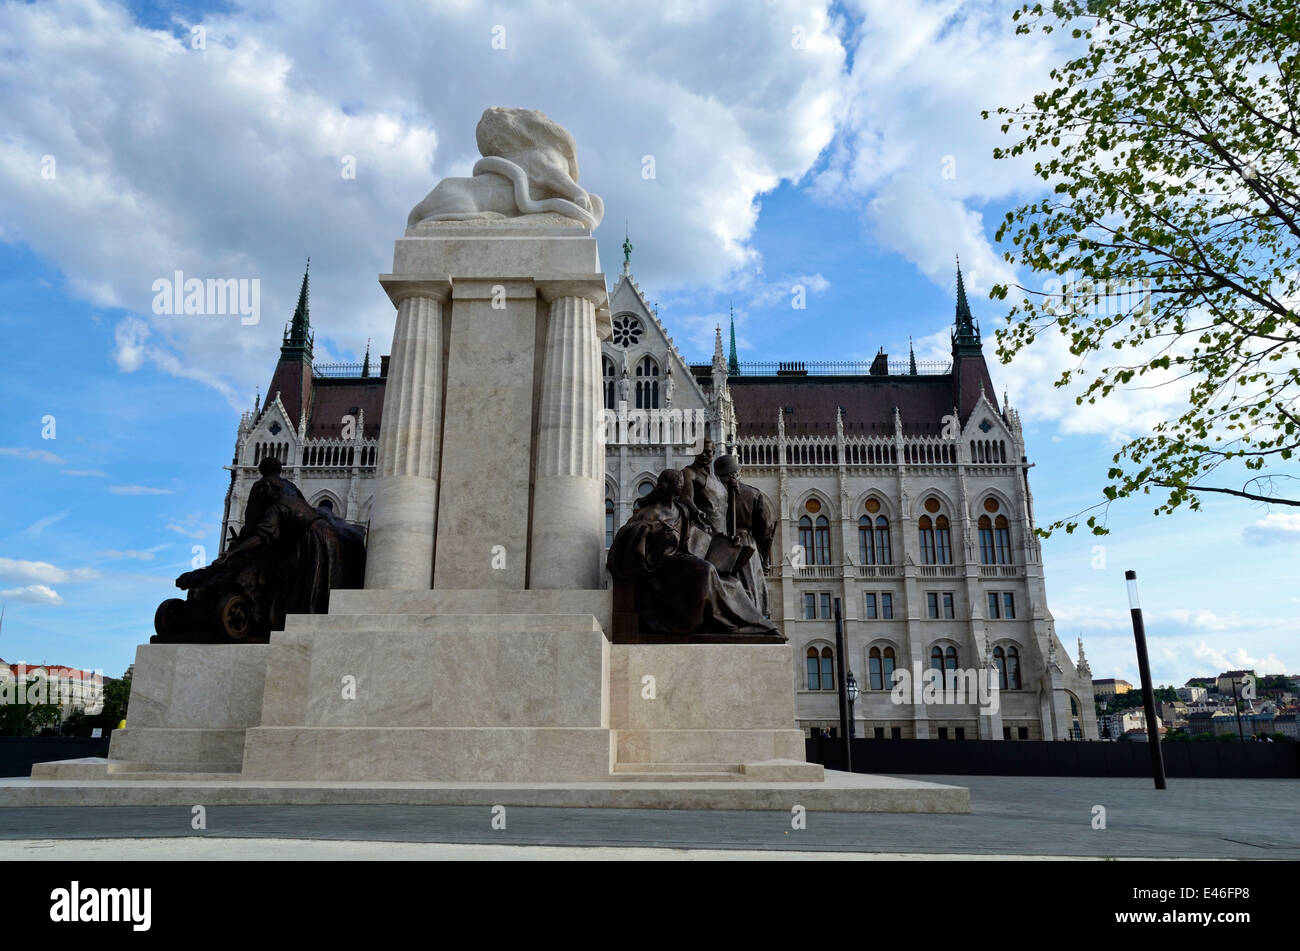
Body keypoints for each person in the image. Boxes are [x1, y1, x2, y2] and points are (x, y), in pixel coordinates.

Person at [607, 469, 780, 638]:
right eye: (678, 484)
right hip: (661, 566)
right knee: (706, 571)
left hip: (682, 558)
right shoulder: (650, 512)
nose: (682, 487)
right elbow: (628, 534)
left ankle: (751, 623)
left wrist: (725, 541)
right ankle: (695, 622)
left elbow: (699, 535)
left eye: (682, 484)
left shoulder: (681, 511)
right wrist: (655, 531)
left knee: (732, 582)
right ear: (667, 487)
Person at [712, 453, 775, 618]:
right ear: (737, 473)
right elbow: (766, 531)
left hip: (718, 547)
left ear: (718, 476)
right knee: (750, 591)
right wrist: (764, 558)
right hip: (746, 546)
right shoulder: (753, 494)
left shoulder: (712, 495)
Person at [679, 438, 728, 533]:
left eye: (707, 451)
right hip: (702, 533)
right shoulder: (689, 472)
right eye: (700, 451)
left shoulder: (717, 479)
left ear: (713, 452)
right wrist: (695, 511)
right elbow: (685, 498)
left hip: (723, 535)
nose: (704, 454)